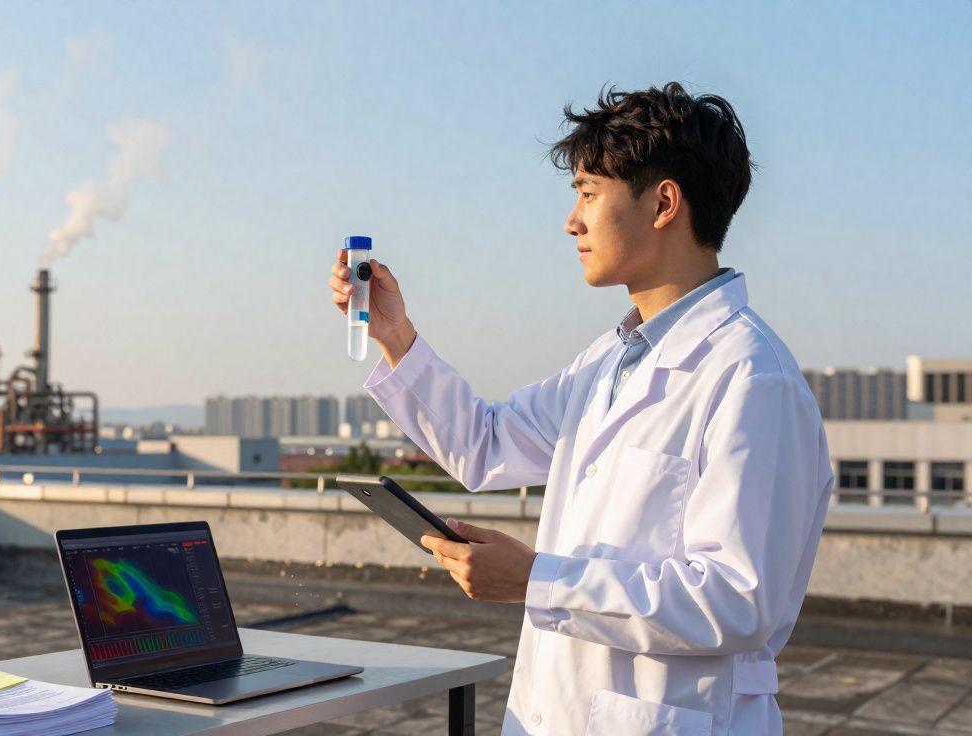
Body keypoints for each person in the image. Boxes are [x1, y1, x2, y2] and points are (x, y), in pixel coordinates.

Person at [326, 82, 832, 735]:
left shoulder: (753, 378)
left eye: (589, 192)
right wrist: (395, 334)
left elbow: (737, 600)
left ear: (664, 203)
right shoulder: (609, 361)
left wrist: (540, 579)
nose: (572, 220)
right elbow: (487, 442)